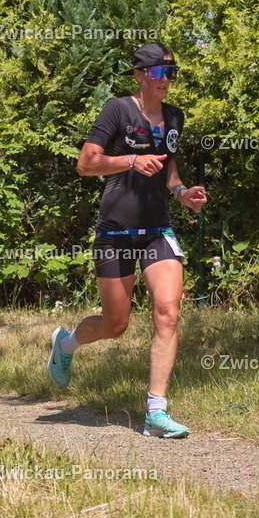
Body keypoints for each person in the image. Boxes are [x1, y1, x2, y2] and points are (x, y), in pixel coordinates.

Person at [48, 42, 207, 438]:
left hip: (157, 230)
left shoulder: (173, 117)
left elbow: (169, 167)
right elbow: (86, 163)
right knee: (115, 324)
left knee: (168, 311)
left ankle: (156, 412)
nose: (165, 80)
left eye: (171, 73)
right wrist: (131, 160)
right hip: (116, 231)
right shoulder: (117, 110)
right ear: (139, 75)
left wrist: (183, 193)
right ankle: (65, 345)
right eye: (157, 72)